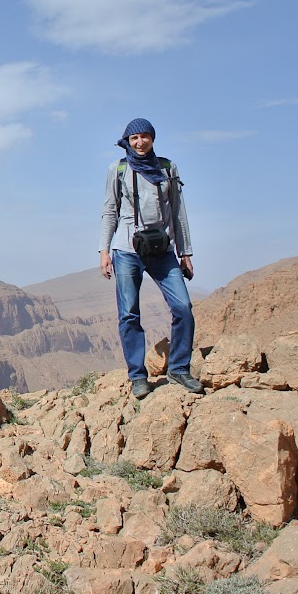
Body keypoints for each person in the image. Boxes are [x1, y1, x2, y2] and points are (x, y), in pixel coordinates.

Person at [99, 118, 204, 397]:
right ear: (127, 141)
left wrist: (186, 253)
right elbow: (109, 211)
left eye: (145, 137)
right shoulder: (118, 169)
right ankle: (138, 377)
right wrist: (104, 251)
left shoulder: (167, 168)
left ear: (153, 139)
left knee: (183, 307)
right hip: (126, 250)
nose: (140, 142)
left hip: (163, 250)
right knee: (129, 314)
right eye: (134, 138)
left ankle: (179, 369)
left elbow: (179, 212)